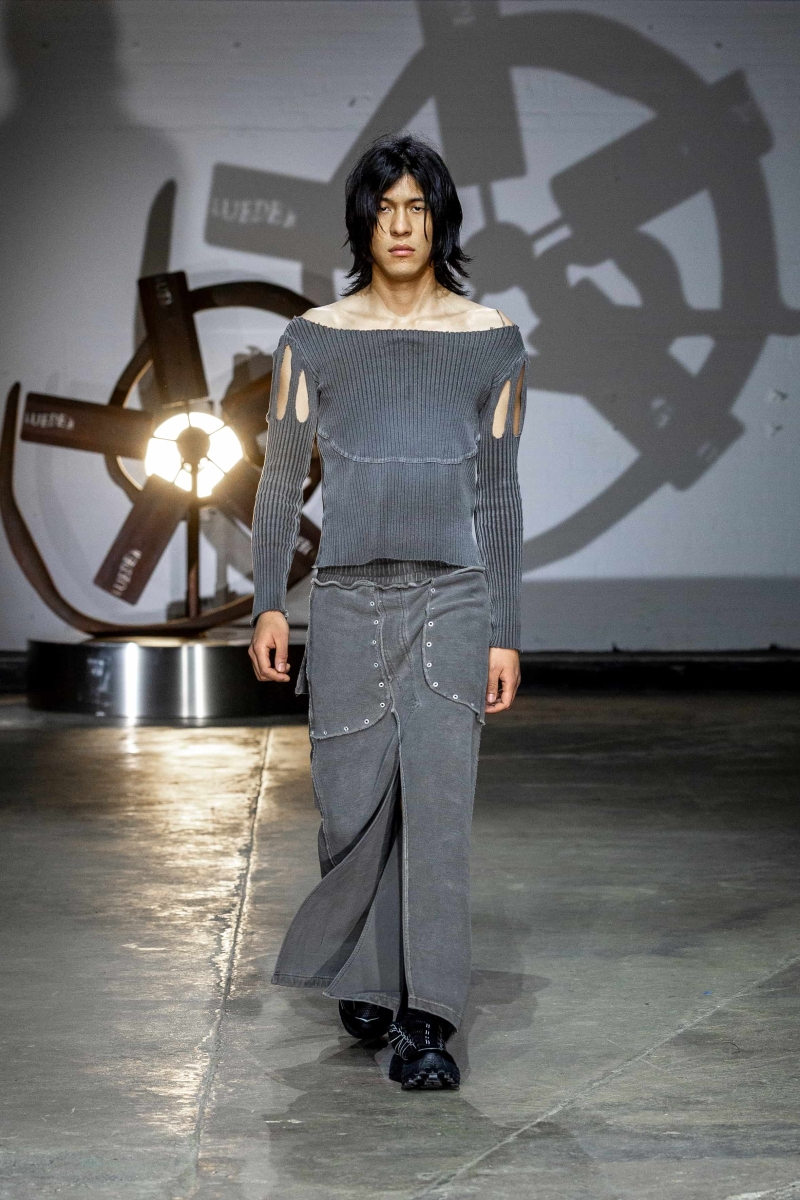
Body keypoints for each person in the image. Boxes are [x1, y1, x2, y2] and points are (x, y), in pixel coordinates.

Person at [249, 133, 526, 1090]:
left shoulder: (491, 341)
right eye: (385, 207)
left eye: (418, 207)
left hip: (452, 597)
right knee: (350, 807)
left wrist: (506, 629)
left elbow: (499, 494)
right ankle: (366, 973)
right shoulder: (313, 338)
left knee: (439, 811)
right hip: (345, 599)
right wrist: (268, 603)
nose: (401, 225)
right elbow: (281, 479)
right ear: (362, 222)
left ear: (439, 221)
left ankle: (427, 1021)